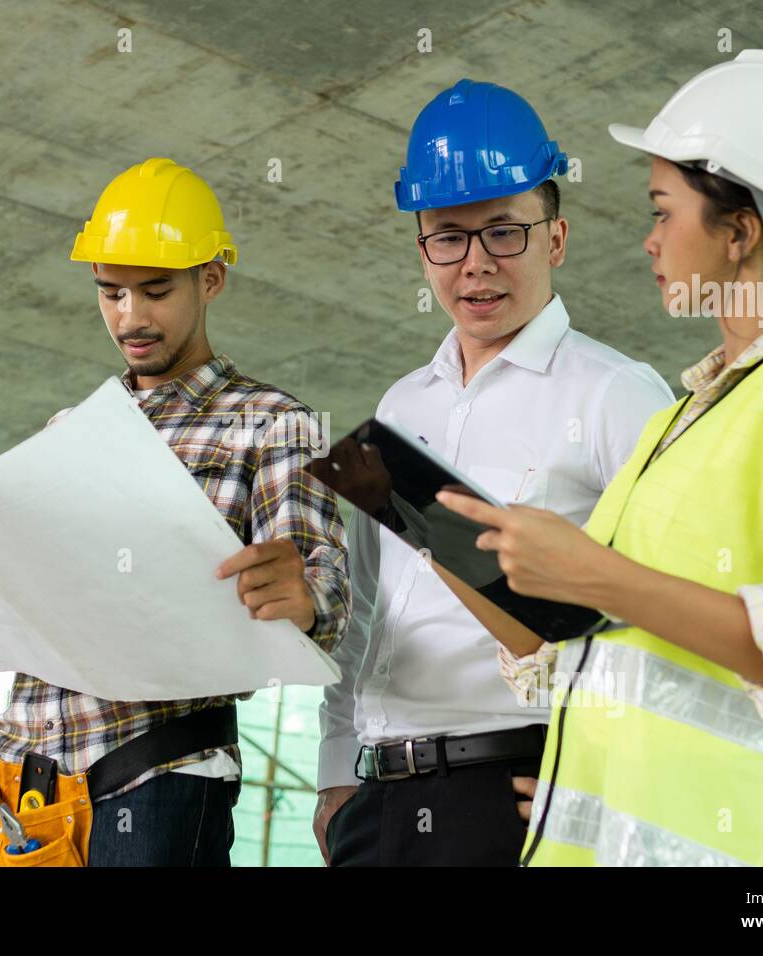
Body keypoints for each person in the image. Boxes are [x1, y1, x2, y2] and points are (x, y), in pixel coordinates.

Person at [437, 50, 763, 866]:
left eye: (663, 211)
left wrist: (589, 572)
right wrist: (462, 561)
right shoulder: (685, 421)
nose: (649, 239)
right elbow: (605, 664)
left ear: (739, 231)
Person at [0, 157, 351, 866]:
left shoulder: (276, 422)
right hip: (24, 791)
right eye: (111, 292)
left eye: (155, 291)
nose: (131, 317)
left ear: (210, 279)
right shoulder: (69, 428)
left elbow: (332, 599)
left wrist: (306, 598)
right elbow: (18, 594)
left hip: (154, 783)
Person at [315, 79, 673, 866]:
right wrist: (337, 770)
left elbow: (659, 613)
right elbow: (367, 610)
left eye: (504, 232)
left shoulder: (618, 394)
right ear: (422, 248)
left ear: (557, 237)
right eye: (449, 236)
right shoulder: (403, 402)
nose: (475, 265)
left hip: (513, 788)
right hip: (376, 800)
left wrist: (610, 777)